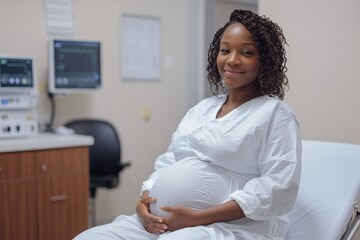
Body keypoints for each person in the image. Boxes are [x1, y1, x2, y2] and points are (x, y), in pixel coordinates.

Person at [74, 9, 301, 240]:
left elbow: (278, 187)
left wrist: (198, 218)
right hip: (160, 224)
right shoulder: (201, 109)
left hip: (234, 227)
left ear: (265, 61)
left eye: (246, 52)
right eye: (225, 50)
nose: (232, 59)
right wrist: (144, 202)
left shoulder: (275, 114)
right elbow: (169, 161)